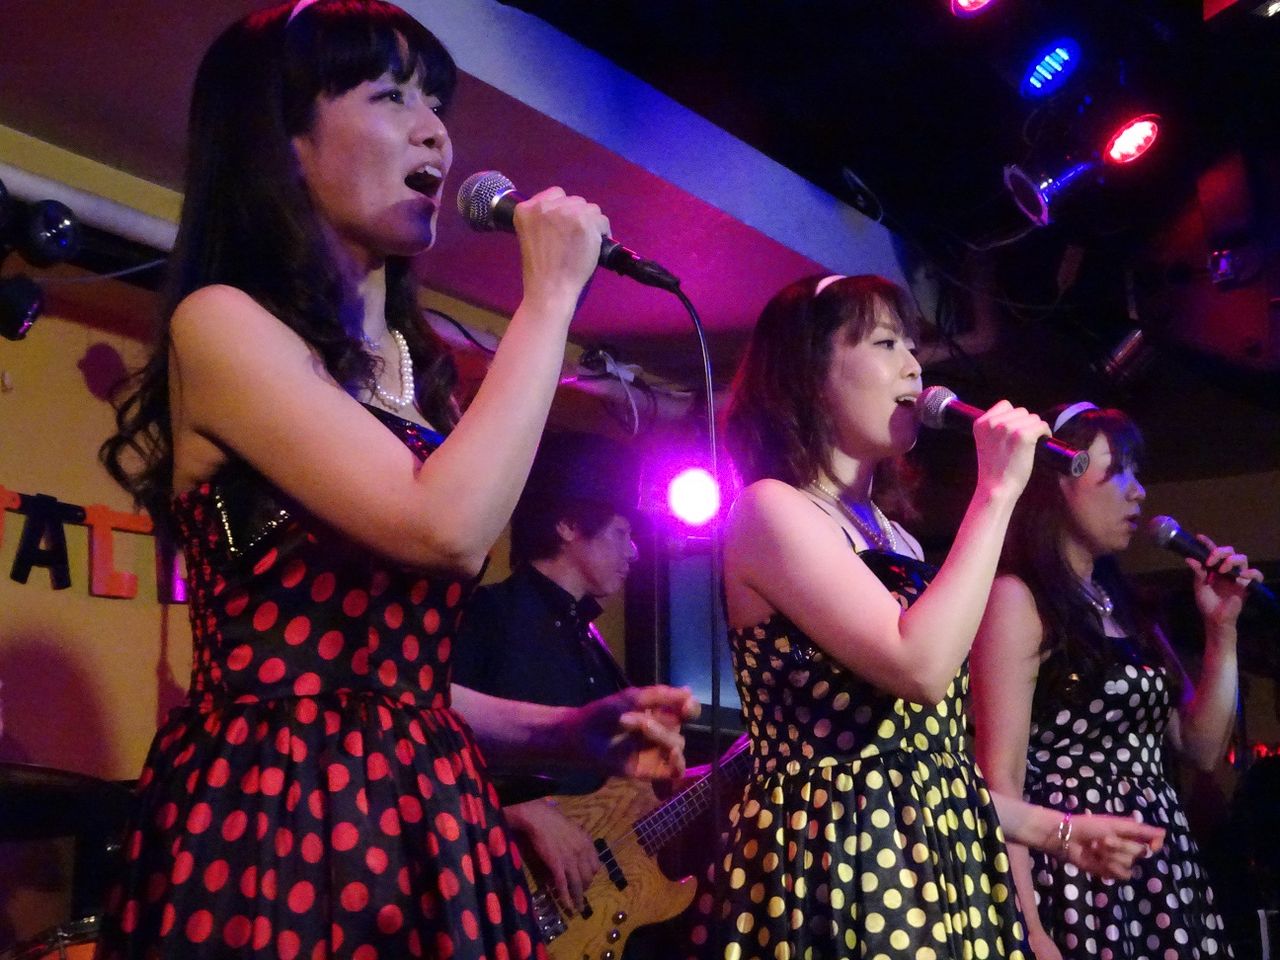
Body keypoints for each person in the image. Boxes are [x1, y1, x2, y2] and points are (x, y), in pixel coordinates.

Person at [96, 3, 695, 958]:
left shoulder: (421, 378)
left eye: (436, 103)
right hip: (278, 812)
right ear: (284, 140)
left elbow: (385, 680)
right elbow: (443, 530)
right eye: (391, 96)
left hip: (425, 814)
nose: (435, 132)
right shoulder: (222, 323)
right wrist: (548, 300)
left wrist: (562, 731)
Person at [690, 274, 1164, 960]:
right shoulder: (769, 510)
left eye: (913, 345)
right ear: (810, 371)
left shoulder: (897, 540)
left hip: (937, 857)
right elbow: (919, 666)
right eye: (887, 344)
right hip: (839, 862)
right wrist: (995, 492)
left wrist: (1057, 831)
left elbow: (923, 765)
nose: (915, 365)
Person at [971, 402, 1262, 960]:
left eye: (1137, 473)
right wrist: (1029, 928)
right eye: (1119, 471)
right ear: (1060, 481)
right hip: (1076, 872)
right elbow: (1000, 778)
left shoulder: (1124, 607)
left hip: (1158, 867)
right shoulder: (1019, 599)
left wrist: (1221, 631)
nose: (1138, 492)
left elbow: (1201, 747)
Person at [452, 430, 639, 915]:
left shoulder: (592, 644)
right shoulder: (487, 615)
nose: (634, 551)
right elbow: (435, 739)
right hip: (501, 890)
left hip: (591, 904)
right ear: (568, 526)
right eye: (621, 532)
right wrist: (519, 808)